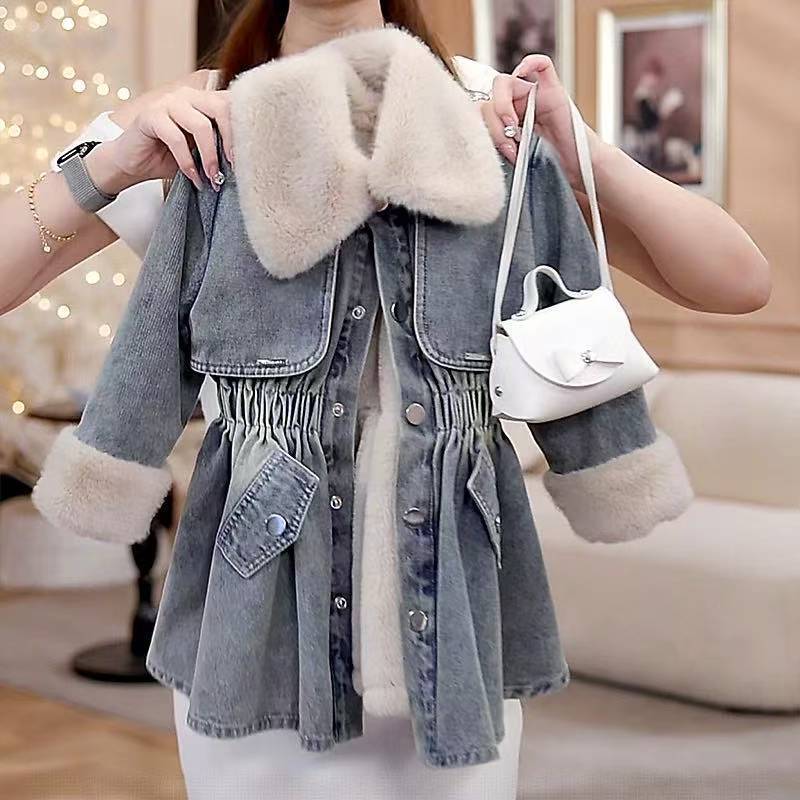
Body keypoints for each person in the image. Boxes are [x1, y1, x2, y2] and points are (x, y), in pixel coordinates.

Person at [7, 3, 768, 800]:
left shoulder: (488, 110)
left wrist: (580, 151)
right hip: (261, 597)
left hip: (454, 587)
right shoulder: (194, 121)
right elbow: (150, 319)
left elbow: (741, 282)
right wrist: (111, 167)